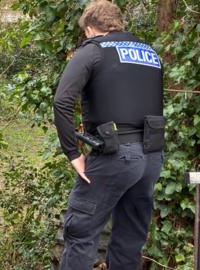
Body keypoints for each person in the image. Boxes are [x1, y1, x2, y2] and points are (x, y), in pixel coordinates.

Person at [53, 0, 165, 269]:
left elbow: (62, 101)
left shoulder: (93, 51)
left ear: (90, 28)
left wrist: (73, 153)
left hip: (116, 156)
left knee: (80, 232)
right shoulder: (150, 53)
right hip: (151, 156)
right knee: (129, 239)